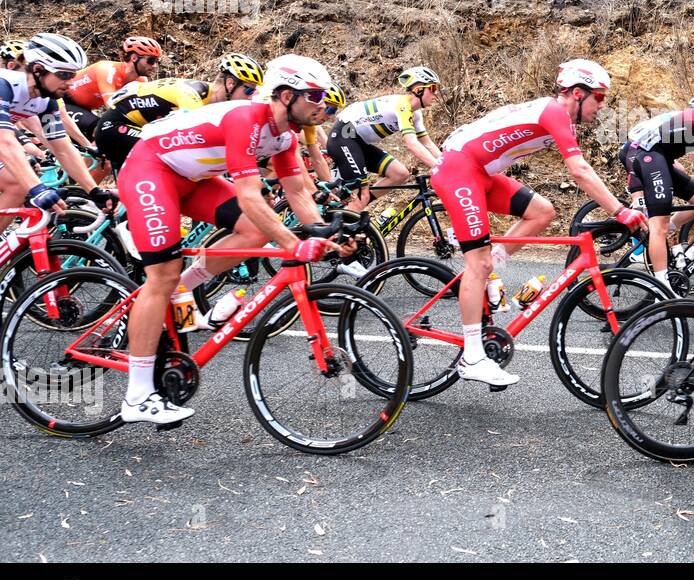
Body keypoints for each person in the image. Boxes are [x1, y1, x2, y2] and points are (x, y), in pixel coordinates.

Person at [117, 55, 344, 426]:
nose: (321, 104)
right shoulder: (246, 118)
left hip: (192, 179)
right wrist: (290, 243)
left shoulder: (284, 136)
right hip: (151, 169)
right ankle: (138, 396)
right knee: (162, 274)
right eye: (314, 95)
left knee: (252, 234)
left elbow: (298, 192)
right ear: (286, 95)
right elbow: (250, 197)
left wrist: (325, 233)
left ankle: (182, 288)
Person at [430, 59, 646, 387]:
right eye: (598, 98)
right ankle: (472, 357)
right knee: (478, 262)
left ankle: (487, 268)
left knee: (542, 212)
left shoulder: (560, 119)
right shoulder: (554, 112)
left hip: (481, 172)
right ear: (577, 93)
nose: (601, 106)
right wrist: (620, 210)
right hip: (460, 169)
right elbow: (579, 171)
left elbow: (576, 168)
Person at [621, 83, 694, 288]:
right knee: (659, 225)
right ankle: (662, 287)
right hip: (650, 157)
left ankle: (662, 234)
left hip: (662, 160)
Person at [0, 34, 108, 230]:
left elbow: (63, 148)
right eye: (64, 75)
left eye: (73, 75)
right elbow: (5, 142)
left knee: (16, 184)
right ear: (38, 69)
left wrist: (94, 191)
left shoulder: (45, 102)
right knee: (18, 181)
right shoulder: (4, 84)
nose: (70, 83)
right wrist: (38, 189)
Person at [93, 54, 264, 175]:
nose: (251, 96)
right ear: (230, 83)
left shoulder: (211, 100)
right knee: (164, 158)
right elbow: (194, 141)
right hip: (114, 127)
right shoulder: (192, 94)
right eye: (248, 89)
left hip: (135, 127)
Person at [328, 66, 441, 208]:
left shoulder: (415, 114)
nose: (436, 93)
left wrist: (445, 164)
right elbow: (412, 144)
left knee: (399, 174)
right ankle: (345, 219)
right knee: (358, 198)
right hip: (343, 136)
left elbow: (427, 143)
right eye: (433, 88)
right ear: (419, 90)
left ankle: (352, 210)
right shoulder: (402, 105)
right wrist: (438, 168)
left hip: (358, 143)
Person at [62, 36, 163, 142]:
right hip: (64, 101)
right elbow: (113, 107)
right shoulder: (107, 70)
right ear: (134, 58)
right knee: (100, 130)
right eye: (151, 61)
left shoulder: (141, 81)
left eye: (158, 61)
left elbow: (143, 110)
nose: (155, 66)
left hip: (85, 109)